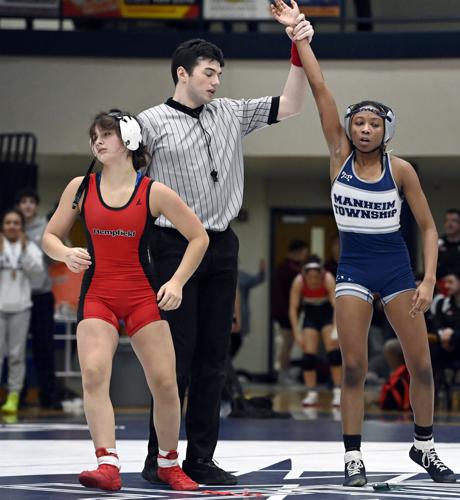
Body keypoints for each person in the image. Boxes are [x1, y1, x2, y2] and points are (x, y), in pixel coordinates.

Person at [271, 0, 456, 486]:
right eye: (359, 124)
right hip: (353, 266)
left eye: (374, 125)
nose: (365, 130)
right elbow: (319, 88)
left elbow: (430, 229)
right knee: (352, 366)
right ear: (349, 129)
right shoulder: (338, 156)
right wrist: (299, 36)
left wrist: (429, 278)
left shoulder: (402, 170)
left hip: (396, 269)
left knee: (421, 364)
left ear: (385, 130)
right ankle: (353, 457)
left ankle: (425, 446)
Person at [138, 17, 315, 486]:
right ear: (182, 73)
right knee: (175, 357)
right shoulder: (147, 124)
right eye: (208, 72)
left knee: (214, 357)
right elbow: (122, 183)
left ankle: (199, 458)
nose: (217, 81)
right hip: (171, 245)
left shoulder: (231, 112)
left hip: (221, 244)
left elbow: (294, 104)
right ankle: (161, 459)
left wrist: (297, 47)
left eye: (219, 73)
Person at [42, 111, 209, 492]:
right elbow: (50, 236)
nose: (98, 142)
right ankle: (107, 464)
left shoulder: (153, 192)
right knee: (94, 374)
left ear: (130, 141)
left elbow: (199, 237)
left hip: (141, 297)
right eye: (94, 136)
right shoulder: (80, 187)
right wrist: (64, 253)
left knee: (166, 383)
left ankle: (169, 463)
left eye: (107, 135)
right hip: (97, 295)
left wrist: (178, 282)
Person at [15, 188, 63, 409]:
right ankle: (19, 396)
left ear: (35, 206)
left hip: (41, 296)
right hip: (15, 298)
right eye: (23, 201)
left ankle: (49, 397)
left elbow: (53, 259)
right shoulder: (10, 227)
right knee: (15, 349)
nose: (27, 206)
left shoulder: (45, 227)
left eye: (31, 202)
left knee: (44, 347)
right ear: (18, 206)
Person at [0, 209, 44, 414]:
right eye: (8, 222)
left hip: (21, 308)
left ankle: (13, 396)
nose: (11, 226)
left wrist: (25, 252)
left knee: (16, 354)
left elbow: (39, 274)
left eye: (16, 223)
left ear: (21, 226)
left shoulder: (29, 246)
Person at [288, 256, 341, 407]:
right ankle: (311, 392)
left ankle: (337, 391)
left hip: (327, 314)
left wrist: (336, 329)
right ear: (304, 275)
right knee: (308, 356)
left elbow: (337, 306)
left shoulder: (328, 279)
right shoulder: (298, 282)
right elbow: (293, 308)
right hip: (310, 315)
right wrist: (296, 333)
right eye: (310, 277)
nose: (313, 281)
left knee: (333, 353)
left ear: (321, 274)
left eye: (316, 277)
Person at [272, 239, 309, 384]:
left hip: (290, 312)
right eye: (305, 252)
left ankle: (285, 372)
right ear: (298, 252)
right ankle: (282, 374)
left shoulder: (294, 267)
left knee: (289, 343)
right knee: (286, 343)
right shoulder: (287, 269)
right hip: (284, 312)